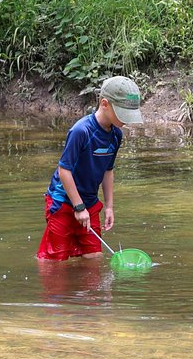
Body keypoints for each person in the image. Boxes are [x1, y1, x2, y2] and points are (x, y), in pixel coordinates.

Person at [38, 76, 144, 261]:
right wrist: (78, 207)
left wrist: (109, 207)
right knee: (55, 262)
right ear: (105, 104)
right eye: (122, 113)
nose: (126, 120)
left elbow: (108, 170)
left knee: (94, 258)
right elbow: (64, 171)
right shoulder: (81, 131)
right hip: (62, 201)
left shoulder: (116, 135)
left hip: (89, 203)